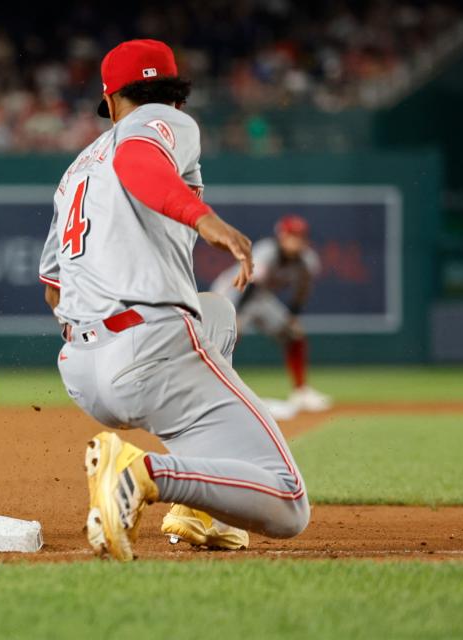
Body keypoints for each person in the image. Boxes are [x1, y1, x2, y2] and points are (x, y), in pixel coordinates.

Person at [39, 39, 309, 561]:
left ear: (110, 98)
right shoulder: (163, 121)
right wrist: (202, 218)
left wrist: (99, 336)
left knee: (218, 312)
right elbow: (139, 161)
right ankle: (143, 472)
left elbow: (52, 287)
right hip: (148, 348)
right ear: (174, 96)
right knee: (288, 499)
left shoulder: (76, 169)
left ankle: (200, 512)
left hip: (81, 367)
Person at [211, 214, 331, 413]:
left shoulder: (307, 260)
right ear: (282, 236)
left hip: (260, 297)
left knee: (294, 334)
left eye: (300, 236)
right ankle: (210, 391)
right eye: (291, 235)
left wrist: (293, 316)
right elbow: (250, 283)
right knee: (225, 340)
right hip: (233, 291)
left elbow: (302, 291)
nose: (296, 240)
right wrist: (236, 317)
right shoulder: (267, 251)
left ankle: (301, 392)